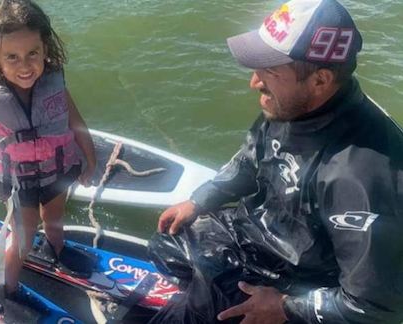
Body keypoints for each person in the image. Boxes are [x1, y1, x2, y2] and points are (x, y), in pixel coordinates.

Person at [152, 0, 403, 323]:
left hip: (303, 281)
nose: (254, 82)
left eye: (269, 71)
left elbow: (375, 305)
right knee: (166, 243)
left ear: (320, 80)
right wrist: (201, 200)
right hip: (265, 237)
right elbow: (250, 160)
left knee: (197, 307)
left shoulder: (360, 175)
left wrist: (284, 306)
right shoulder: (292, 105)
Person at [0, 0, 97, 297]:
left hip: (57, 170)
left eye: (33, 54)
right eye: (12, 57)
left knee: (54, 220)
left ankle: (56, 249)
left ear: (45, 48)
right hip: (18, 183)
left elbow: (76, 123)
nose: (25, 65)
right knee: (23, 238)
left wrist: (89, 159)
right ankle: (5, 290)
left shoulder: (54, 81)